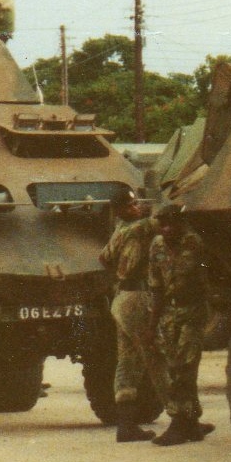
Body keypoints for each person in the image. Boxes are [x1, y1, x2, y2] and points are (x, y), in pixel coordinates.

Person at [147, 204, 216, 446]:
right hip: (168, 312)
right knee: (175, 365)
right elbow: (155, 286)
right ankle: (192, 422)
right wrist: (152, 323)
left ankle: (178, 423)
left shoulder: (194, 244)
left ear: (181, 224)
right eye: (162, 225)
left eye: (171, 224)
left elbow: (209, 278)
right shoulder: (156, 246)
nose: (166, 230)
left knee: (183, 366)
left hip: (192, 310)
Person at [98, 188, 160, 442]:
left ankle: (126, 425)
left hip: (121, 297)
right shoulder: (138, 229)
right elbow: (159, 221)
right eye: (133, 205)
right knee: (157, 356)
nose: (137, 208)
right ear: (122, 209)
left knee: (126, 362)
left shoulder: (120, 230)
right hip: (136, 297)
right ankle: (184, 418)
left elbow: (104, 258)